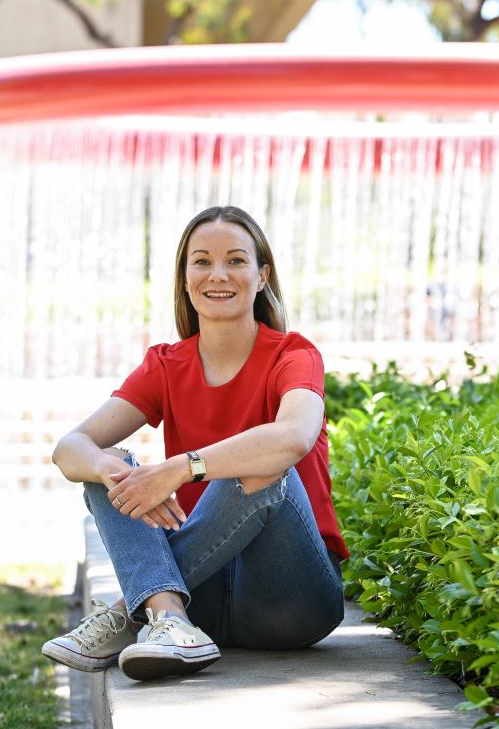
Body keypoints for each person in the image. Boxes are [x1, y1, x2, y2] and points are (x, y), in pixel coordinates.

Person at [41, 205, 348, 682]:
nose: (218, 274)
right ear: (185, 278)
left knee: (260, 468)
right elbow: (69, 448)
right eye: (201, 261)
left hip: (291, 600)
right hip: (199, 597)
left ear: (262, 275)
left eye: (236, 261)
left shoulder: (294, 355)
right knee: (109, 466)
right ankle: (168, 618)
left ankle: (133, 610)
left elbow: (292, 437)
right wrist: (111, 472)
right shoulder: (166, 365)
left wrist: (183, 468)